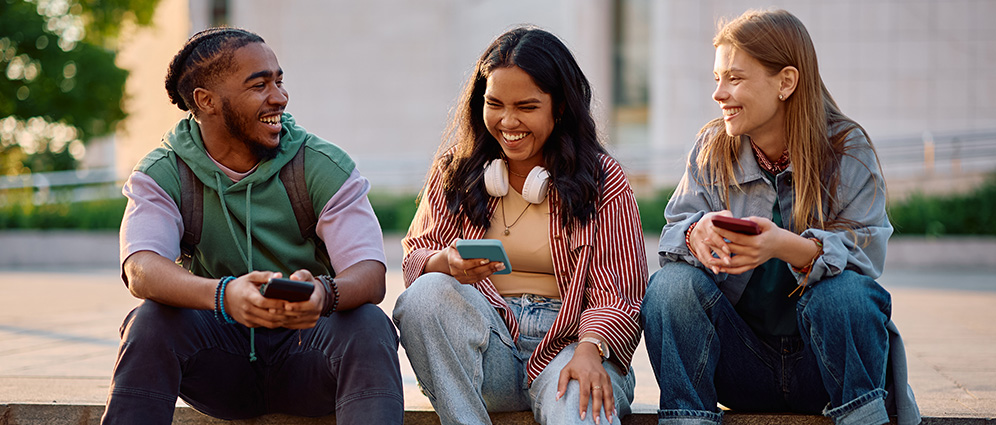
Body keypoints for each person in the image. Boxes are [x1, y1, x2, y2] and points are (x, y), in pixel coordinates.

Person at [100, 27, 403, 425]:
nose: (279, 97)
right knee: (151, 321)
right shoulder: (163, 172)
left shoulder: (323, 165)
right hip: (220, 367)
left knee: (368, 324)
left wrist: (323, 294)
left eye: (279, 80)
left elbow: (370, 275)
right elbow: (141, 268)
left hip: (309, 357)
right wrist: (224, 296)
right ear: (206, 101)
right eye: (259, 85)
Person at [641, 9, 920, 425]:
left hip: (824, 368)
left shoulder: (846, 149)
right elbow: (671, 235)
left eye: (734, 78)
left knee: (844, 294)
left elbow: (866, 259)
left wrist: (784, 246)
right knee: (670, 287)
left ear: (786, 82)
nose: (719, 94)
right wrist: (693, 235)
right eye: (716, 79)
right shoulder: (712, 148)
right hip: (739, 366)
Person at [392, 26, 648, 425]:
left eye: (526, 107)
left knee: (578, 405)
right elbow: (415, 258)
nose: (508, 122)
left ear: (559, 107)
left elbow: (621, 289)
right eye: (495, 104)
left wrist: (590, 349)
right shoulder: (455, 173)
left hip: (573, 342)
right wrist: (445, 262)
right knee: (425, 295)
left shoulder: (602, 178)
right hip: (487, 350)